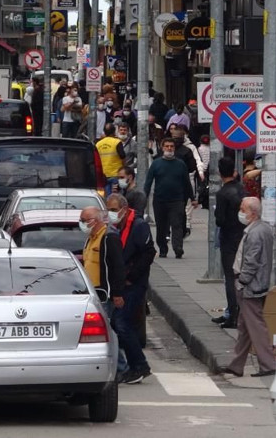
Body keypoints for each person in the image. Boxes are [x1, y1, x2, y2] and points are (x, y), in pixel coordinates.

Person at [219, 197, 276, 378]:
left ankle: (268, 364)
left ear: (252, 212)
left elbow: (251, 261)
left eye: (243, 209)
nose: (240, 212)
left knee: (255, 326)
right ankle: (237, 365)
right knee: (244, 326)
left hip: (250, 286)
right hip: (255, 283)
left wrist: (242, 281)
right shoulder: (262, 229)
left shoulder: (255, 233)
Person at [106, 194, 155, 384]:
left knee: (122, 323)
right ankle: (136, 365)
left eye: (113, 210)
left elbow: (148, 252)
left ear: (124, 210)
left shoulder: (139, 225)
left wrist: (131, 276)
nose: (111, 214)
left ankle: (139, 366)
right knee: (121, 323)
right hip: (122, 281)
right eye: (108, 210)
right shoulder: (117, 226)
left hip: (134, 283)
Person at [79, 206, 129, 376]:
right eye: (82, 220)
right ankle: (120, 366)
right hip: (93, 294)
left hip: (105, 294)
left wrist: (117, 294)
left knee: (107, 332)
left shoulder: (108, 238)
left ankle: (122, 368)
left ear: (96, 220)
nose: (82, 224)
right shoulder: (90, 238)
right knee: (108, 331)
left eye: (85, 220)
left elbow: (118, 268)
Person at [144, 138, 196, 259]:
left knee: (177, 224)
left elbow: (186, 182)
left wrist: (192, 198)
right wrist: (144, 198)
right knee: (161, 226)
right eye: (166, 146)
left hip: (177, 200)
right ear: (162, 148)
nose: (169, 148)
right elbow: (148, 182)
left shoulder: (180, 164)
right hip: (159, 200)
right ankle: (163, 248)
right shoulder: (156, 164)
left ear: (174, 148)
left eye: (171, 146)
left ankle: (178, 248)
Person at [213, 157, 246, 329]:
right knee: (241, 277)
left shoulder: (222, 193)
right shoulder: (241, 189)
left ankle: (233, 315)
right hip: (243, 236)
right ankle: (237, 312)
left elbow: (219, 220)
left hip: (229, 238)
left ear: (220, 173)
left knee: (230, 278)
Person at [96, 123, 126, 195]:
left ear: (104, 132)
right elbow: (123, 157)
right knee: (115, 197)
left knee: (105, 197)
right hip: (115, 174)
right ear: (114, 131)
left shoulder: (98, 144)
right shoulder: (117, 142)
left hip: (103, 176)